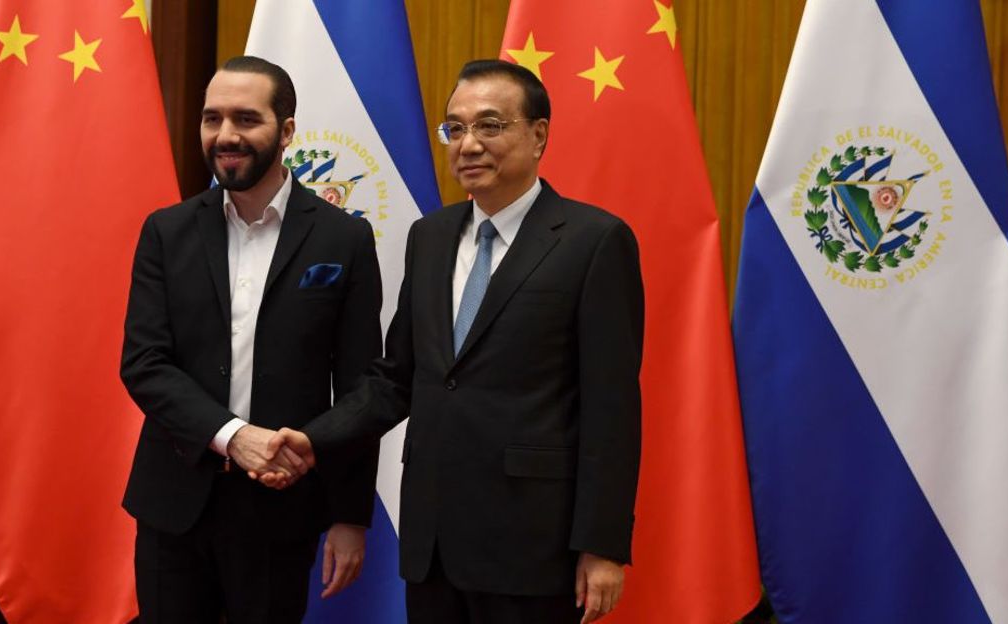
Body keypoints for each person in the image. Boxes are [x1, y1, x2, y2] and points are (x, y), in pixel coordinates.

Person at [267, 59, 644, 624]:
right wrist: (312, 439)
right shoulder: (431, 236)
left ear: (539, 134)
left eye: (490, 126)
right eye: (455, 128)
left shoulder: (595, 241)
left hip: (534, 544)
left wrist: (603, 545)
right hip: (435, 540)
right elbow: (396, 379)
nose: (468, 144)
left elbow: (611, 409)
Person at [119, 55, 382, 624]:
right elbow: (145, 363)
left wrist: (349, 516)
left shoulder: (345, 239)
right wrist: (233, 437)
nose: (225, 135)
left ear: (286, 130)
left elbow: (362, 388)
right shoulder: (166, 231)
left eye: (246, 118)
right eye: (212, 119)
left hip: (282, 512)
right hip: (174, 504)